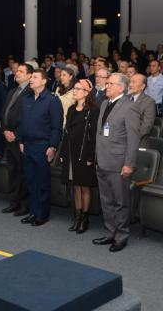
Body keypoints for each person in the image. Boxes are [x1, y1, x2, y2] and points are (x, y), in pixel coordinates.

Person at [92, 73, 140, 252]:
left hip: (119, 162)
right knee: (106, 200)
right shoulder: (105, 103)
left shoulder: (130, 107)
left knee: (120, 202)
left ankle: (121, 236)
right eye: (107, 83)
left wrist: (129, 164)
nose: (107, 86)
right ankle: (109, 232)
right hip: (102, 159)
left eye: (111, 84)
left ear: (122, 87)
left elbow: (134, 139)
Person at [17, 69, 63, 226]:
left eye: (35, 77)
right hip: (27, 145)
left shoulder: (52, 100)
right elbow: (22, 122)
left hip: (43, 146)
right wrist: (21, 141)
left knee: (42, 182)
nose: (31, 79)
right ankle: (33, 211)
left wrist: (53, 147)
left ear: (44, 81)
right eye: (31, 77)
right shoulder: (27, 99)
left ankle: (42, 214)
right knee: (31, 181)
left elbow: (57, 127)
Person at [60, 79, 99, 234]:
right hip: (71, 153)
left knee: (84, 187)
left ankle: (84, 219)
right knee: (75, 186)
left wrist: (91, 156)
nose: (74, 91)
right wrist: (63, 153)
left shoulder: (93, 111)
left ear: (86, 92)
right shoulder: (71, 109)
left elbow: (94, 136)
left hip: (84, 154)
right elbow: (66, 133)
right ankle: (77, 217)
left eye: (78, 88)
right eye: (74, 88)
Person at [0, 63, 34, 216]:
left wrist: (16, 133)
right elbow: (3, 113)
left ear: (29, 75)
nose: (16, 73)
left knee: (24, 173)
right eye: (17, 70)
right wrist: (5, 130)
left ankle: (25, 205)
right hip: (8, 138)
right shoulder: (12, 91)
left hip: (21, 139)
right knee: (12, 171)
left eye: (21, 71)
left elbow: (28, 118)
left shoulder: (30, 92)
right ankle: (13, 202)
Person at [128, 74, 156, 145]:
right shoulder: (125, 98)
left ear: (142, 86)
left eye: (134, 82)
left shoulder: (149, 102)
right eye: (130, 82)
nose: (130, 84)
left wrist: (130, 138)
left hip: (138, 141)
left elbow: (146, 126)